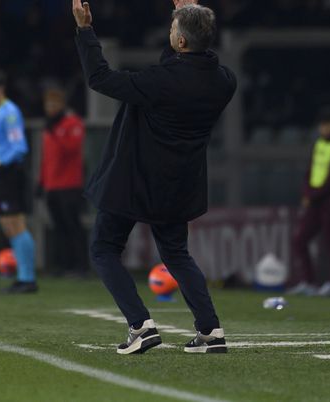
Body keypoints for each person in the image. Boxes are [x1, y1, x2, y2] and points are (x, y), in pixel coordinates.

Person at [72, 0, 236, 354]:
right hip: (180, 185)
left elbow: (98, 77)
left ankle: (140, 325)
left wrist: (85, 31)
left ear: (179, 42)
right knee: (177, 255)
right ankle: (210, 330)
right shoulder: (224, 81)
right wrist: (188, 15)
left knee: (103, 249)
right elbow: (183, 63)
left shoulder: (157, 82)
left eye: (174, 29)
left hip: (135, 181)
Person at [0, 69, 38, 294]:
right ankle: (23, 277)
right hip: (0, 174)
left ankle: (28, 278)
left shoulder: (10, 112)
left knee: (16, 223)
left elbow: (20, 147)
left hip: (9, 172)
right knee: (8, 226)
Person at [288, 108, 330, 297]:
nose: (322, 129)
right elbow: (310, 171)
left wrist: (312, 195)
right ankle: (309, 282)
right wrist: (307, 192)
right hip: (317, 200)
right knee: (300, 239)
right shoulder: (320, 144)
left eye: (326, 125)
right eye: (321, 125)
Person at [37, 87, 87, 277]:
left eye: (54, 104)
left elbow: (72, 148)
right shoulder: (49, 127)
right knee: (59, 228)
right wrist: (41, 182)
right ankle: (64, 265)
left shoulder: (72, 123)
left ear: (62, 105)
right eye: (48, 104)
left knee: (73, 226)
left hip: (70, 185)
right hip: (52, 185)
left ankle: (81, 266)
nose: (50, 107)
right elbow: (46, 158)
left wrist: (56, 133)